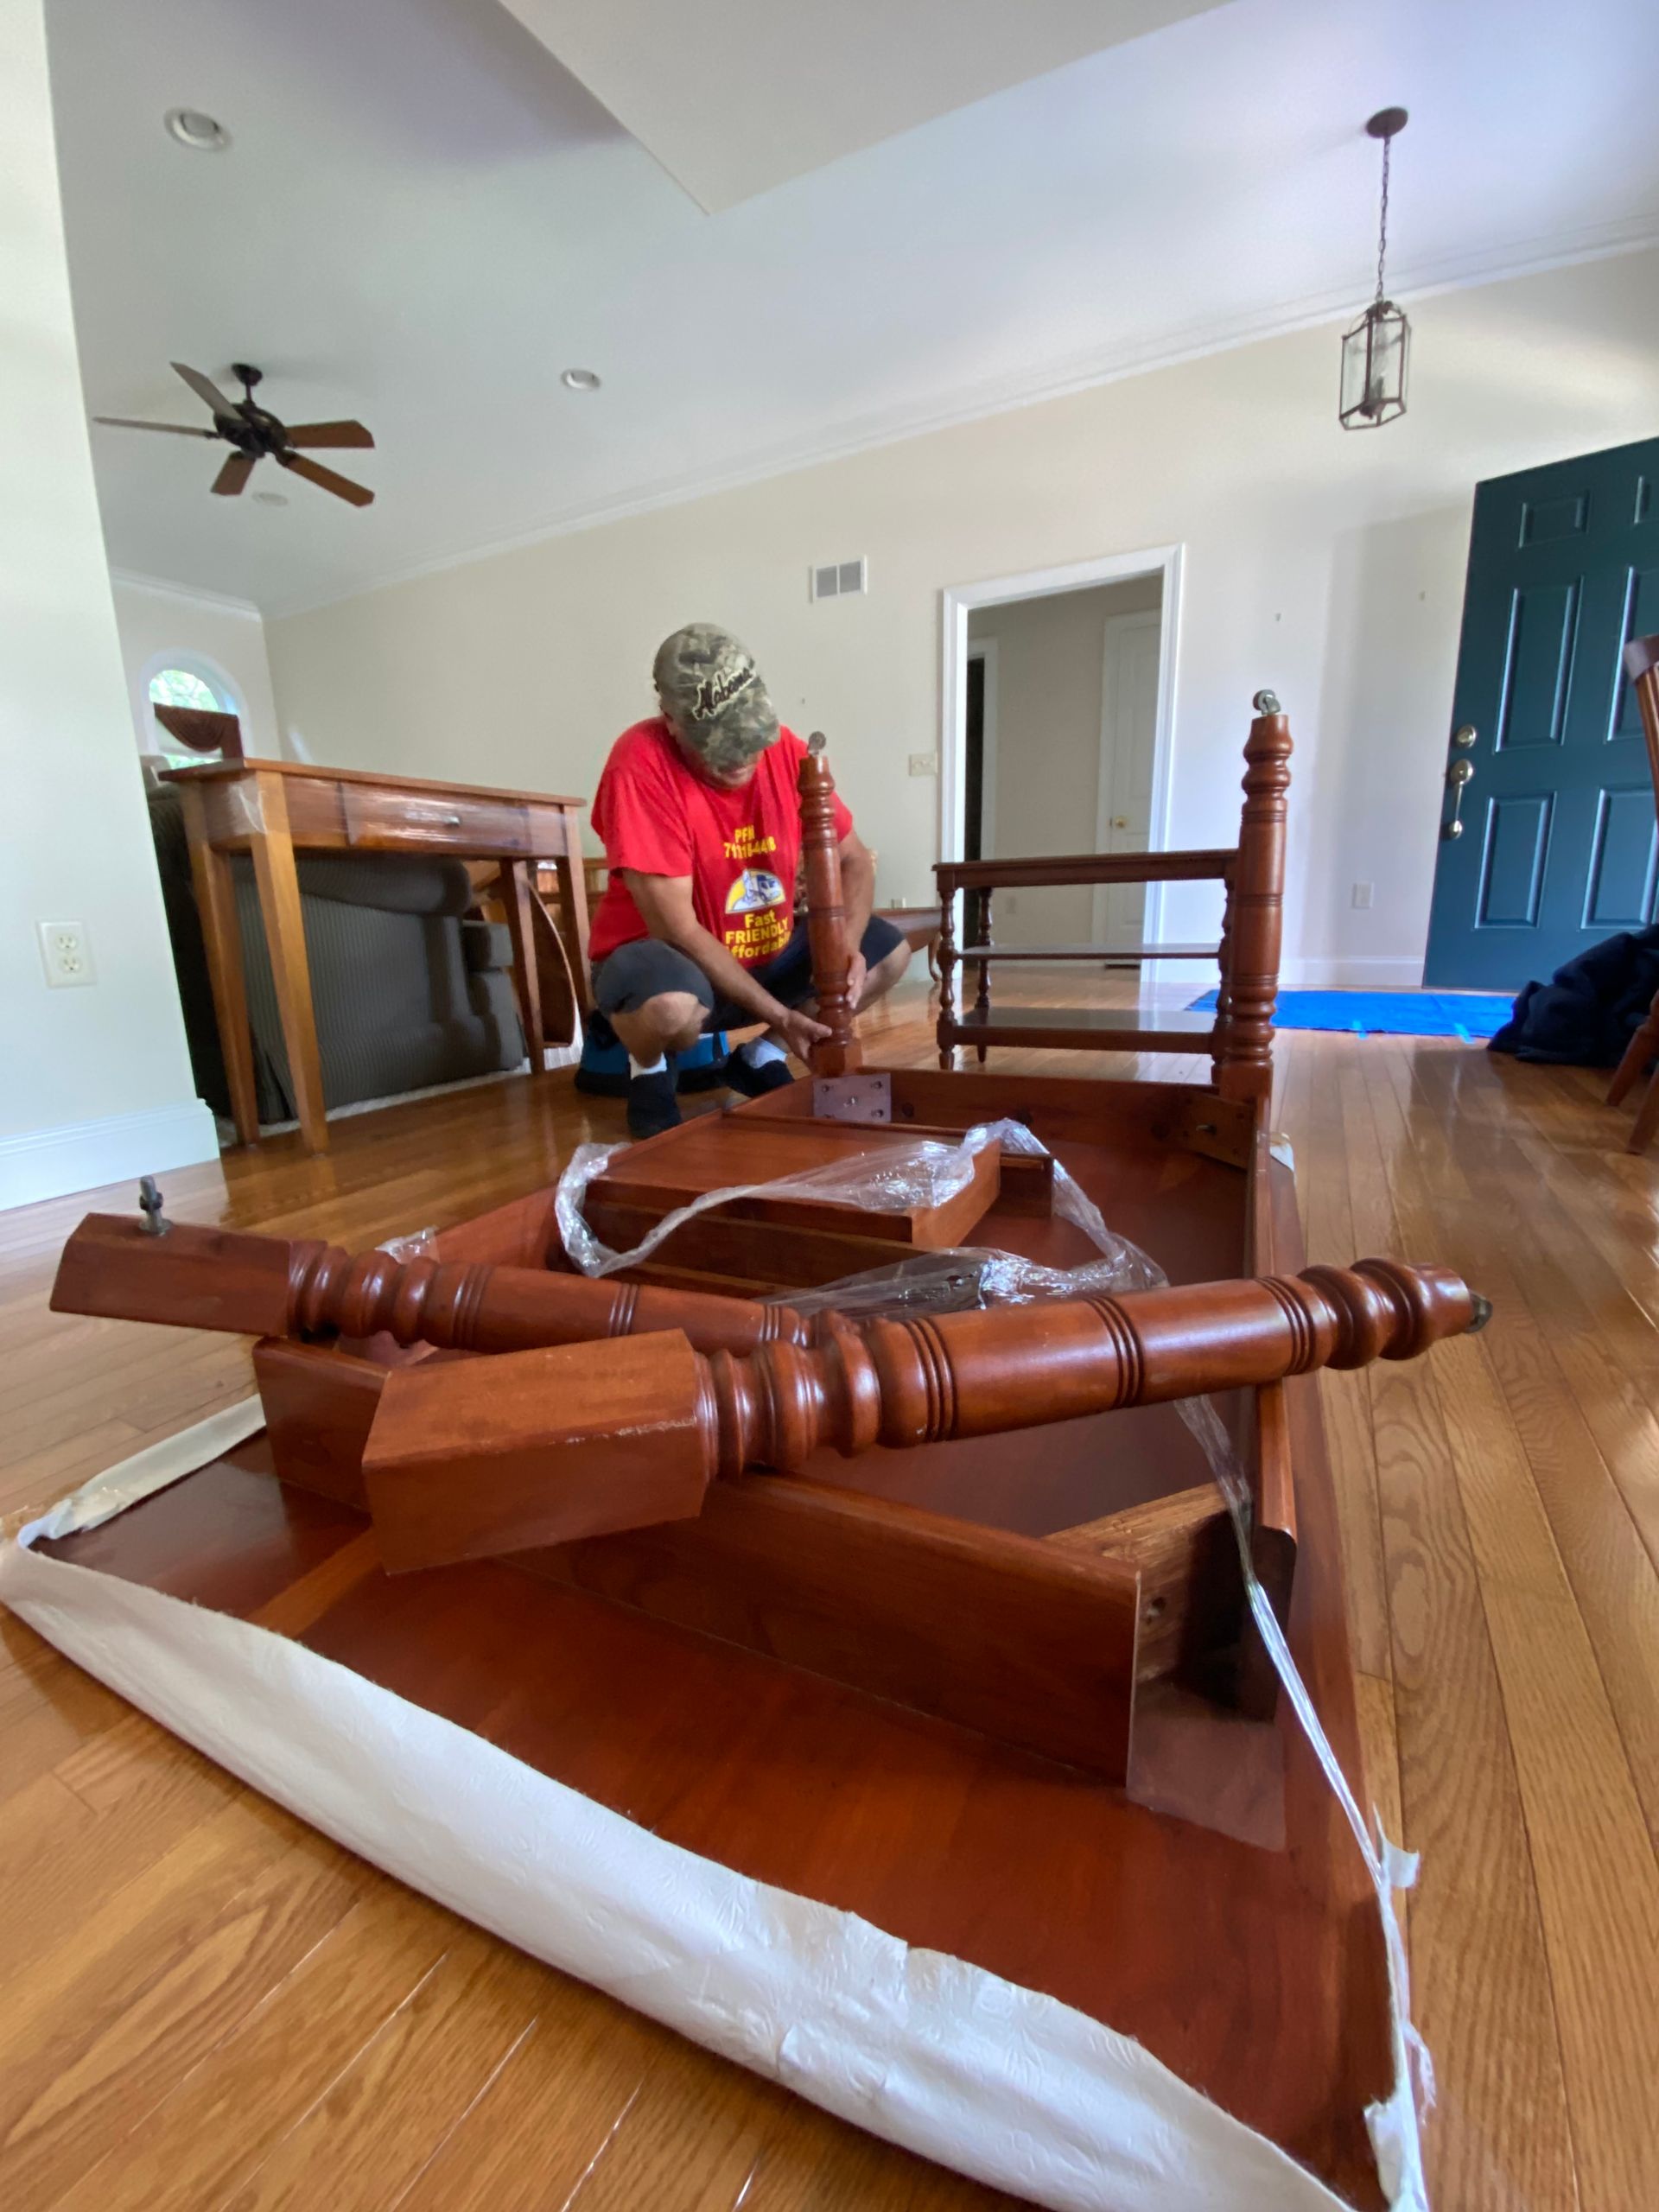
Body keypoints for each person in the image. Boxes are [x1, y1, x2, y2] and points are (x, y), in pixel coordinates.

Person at [587, 623, 910, 1137]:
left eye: (748, 741)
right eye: (717, 746)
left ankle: (758, 1058)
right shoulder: (639, 762)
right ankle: (647, 1071)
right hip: (663, 960)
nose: (739, 759)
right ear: (670, 720)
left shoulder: (787, 749)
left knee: (888, 954)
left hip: (762, 954)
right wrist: (783, 1015)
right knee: (670, 1008)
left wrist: (841, 954)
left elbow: (854, 861)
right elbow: (678, 930)